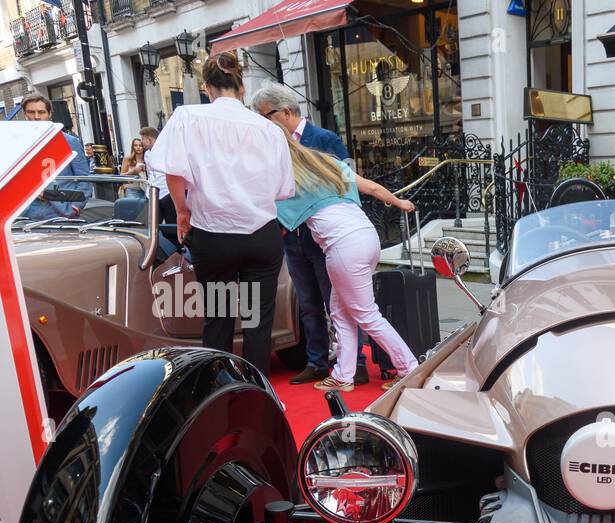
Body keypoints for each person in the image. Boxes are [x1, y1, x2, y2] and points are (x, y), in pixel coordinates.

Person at [147, 52, 295, 375]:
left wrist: (182, 209)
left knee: (219, 320)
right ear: (241, 87)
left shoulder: (188, 117)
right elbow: (283, 189)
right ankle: (257, 394)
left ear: (207, 88)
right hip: (260, 235)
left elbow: (172, 171)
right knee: (257, 322)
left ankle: (220, 392)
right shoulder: (269, 130)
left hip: (214, 236)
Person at [276, 131, 418, 393]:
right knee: (341, 312)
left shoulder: (289, 182)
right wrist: (400, 203)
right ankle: (344, 375)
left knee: (366, 315)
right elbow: (373, 188)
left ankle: (409, 369)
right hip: (367, 236)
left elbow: (279, 229)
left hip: (342, 247)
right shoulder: (329, 165)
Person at [250, 81, 370, 386]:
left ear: (285, 112)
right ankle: (317, 360)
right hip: (292, 236)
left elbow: (348, 182)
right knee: (307, 304)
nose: (262, 124)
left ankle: (353, 363)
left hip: (327, 238)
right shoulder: (269, 146)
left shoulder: (325, 139)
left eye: (265, 116)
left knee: (339, 303)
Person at [19, 93, 92, 220]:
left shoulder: (69, 141)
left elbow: (84, 179)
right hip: (26, 214)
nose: (36, 117)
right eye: (31, 112)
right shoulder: (19, 142)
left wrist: (75, 207)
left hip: (61, 212)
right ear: (25, 114)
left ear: (49, 114)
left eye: (41, 112)